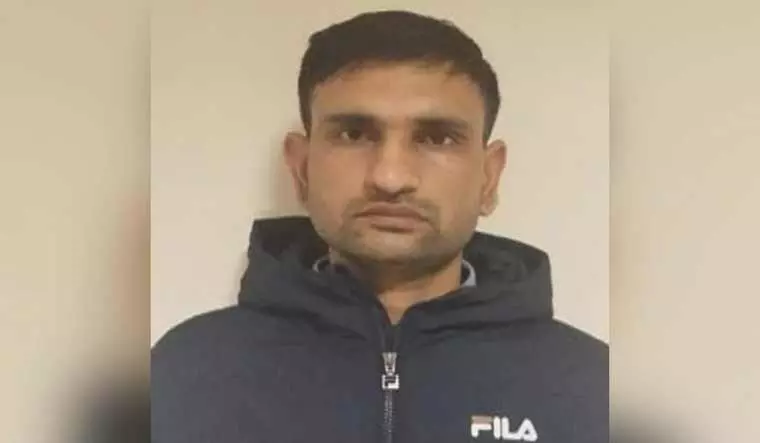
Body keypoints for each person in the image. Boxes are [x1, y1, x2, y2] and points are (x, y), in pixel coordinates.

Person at [152, 10, 608, 443]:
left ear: (489, 177)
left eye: (436, 137)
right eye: (354, 134)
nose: (390, 177)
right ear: (302, 169)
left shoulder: (593, 388)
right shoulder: (183, 374)